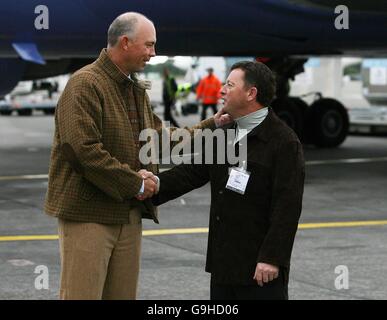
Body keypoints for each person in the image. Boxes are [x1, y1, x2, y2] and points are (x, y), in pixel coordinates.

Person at [44, 11, 231, 300]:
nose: (153, 53)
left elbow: (157, 140)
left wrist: (212, 125)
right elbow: (82, 151)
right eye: (149, 45)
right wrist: (137, 183)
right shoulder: (84, 84)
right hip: (89, 216)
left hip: (128, 215)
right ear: (126, 42)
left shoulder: (134, 90)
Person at [140, 61, 305, 300]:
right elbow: (192, 172)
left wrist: (272, 258)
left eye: (229, 84)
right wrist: (152, 184)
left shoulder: (283, 142)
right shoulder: (225, 133)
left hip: (261, 270)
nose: (221, 90)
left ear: (251, 93)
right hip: (224, 265)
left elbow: (287, 207)